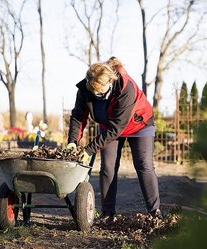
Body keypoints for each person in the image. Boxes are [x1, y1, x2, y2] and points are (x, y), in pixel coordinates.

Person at [67, 56, 162, 222]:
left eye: (99, 92)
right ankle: (108, 214)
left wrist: (89, 149)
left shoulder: (126, 88)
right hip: (109, 125)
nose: (96, 95)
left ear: (109, 82)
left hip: (139, 125)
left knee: (144, 165)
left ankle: (155, 213)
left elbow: (117, 128)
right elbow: (78, 115)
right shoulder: (86, 87)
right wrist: (72, 141)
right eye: (93, 92)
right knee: (108, 167)